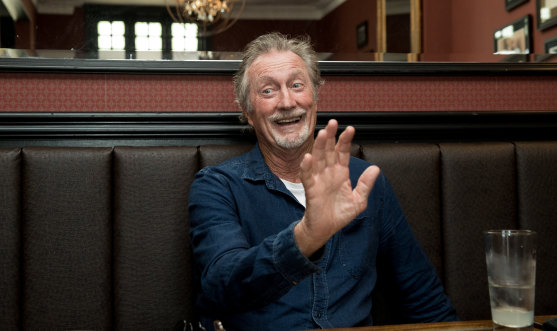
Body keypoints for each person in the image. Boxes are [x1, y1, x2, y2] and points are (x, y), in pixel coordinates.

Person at [188, 32, 458, 331]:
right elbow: (221, 286)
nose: (287, 102)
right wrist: (305, 237)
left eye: (296, 85)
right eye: (267, 91)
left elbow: (423, 298)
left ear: (315, 96)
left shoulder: (365, 183)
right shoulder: (217, 186)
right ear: (247, 112)